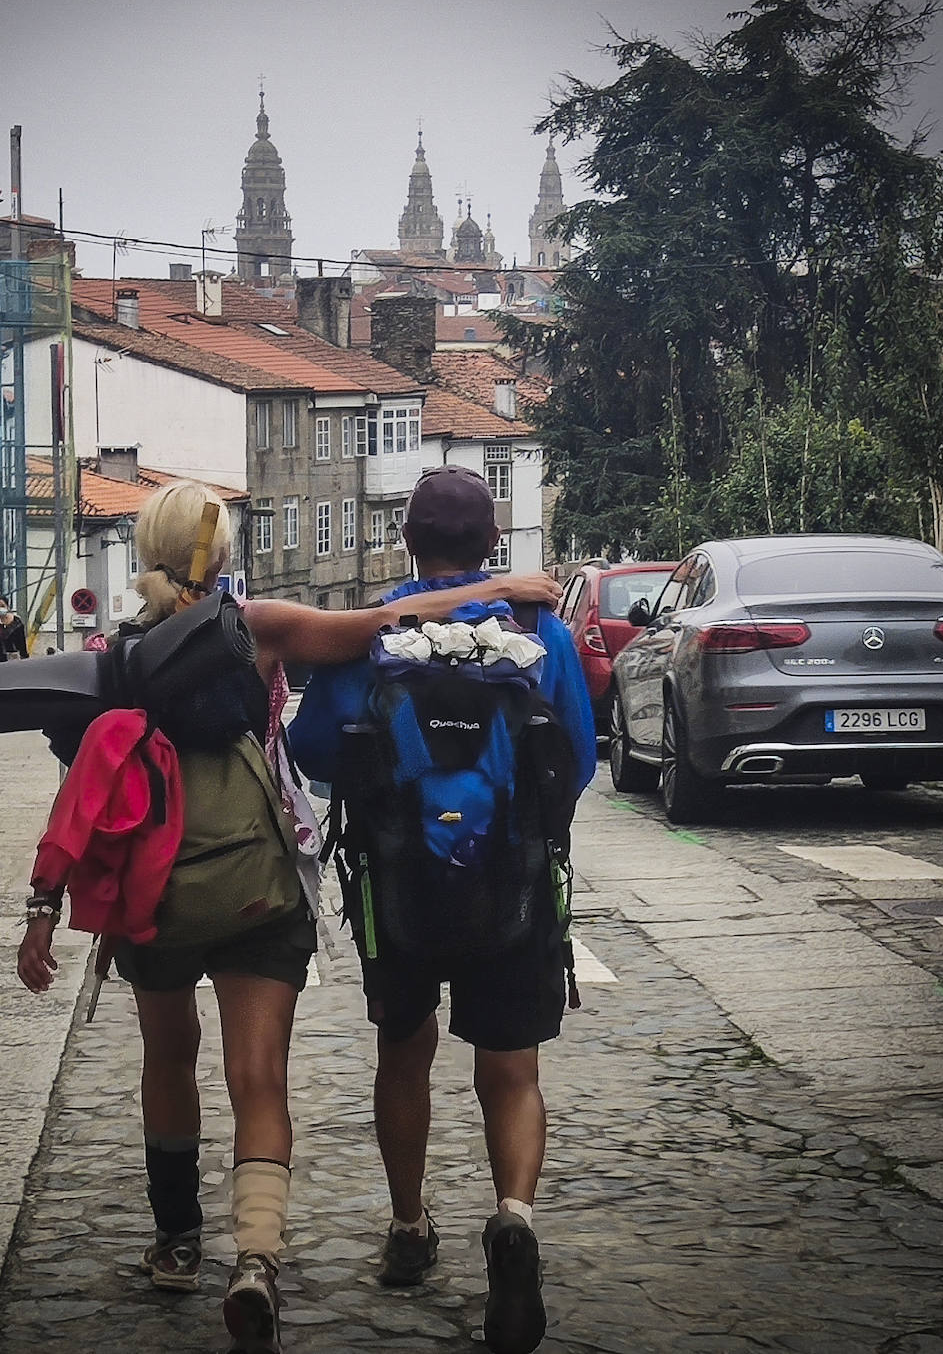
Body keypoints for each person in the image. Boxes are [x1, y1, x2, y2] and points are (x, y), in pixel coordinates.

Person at [15, 479, 564, 1354]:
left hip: (153, 892)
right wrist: (503, 591)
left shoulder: (110, 655)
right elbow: (393, 620)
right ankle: (256, 1261)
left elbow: (83, 790)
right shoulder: (258, 627)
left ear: (141, 550)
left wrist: (47, 905)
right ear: (224, 553)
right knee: (258, 1076)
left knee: (169, 1054)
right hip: (254, 886)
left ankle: (177, 1240)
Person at [288, 467, 597, 1354]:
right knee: (513, 1071)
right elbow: (574, 760)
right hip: (514, 883)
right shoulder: (537, 627)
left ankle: (409, 1227)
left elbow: (314, 752)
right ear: (493, 549)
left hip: (400, 889)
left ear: (409, 542)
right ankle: (513, 1218)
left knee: (404, 1055)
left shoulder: (378, 629)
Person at [0, 594, 29, 663]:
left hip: (13, 659)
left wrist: (24, 657)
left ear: (7, 607)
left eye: (2, 606)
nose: (0, 608)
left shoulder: (17, 623)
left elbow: (22, 643)